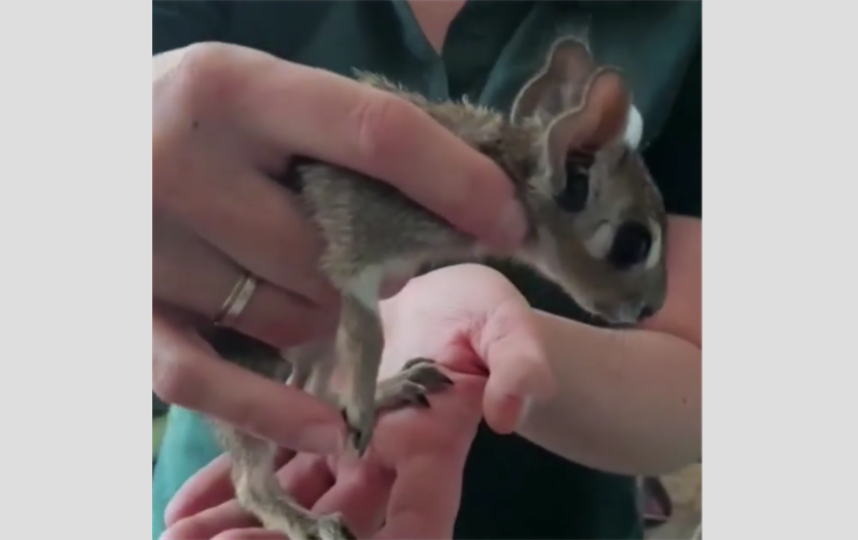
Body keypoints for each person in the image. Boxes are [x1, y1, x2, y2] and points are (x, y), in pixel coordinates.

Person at [152, 1, 702, 539]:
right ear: (570, 163)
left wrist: (489, 344)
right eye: (628, 248)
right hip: (227, 418)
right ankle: (265, 493)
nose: (642, 300)